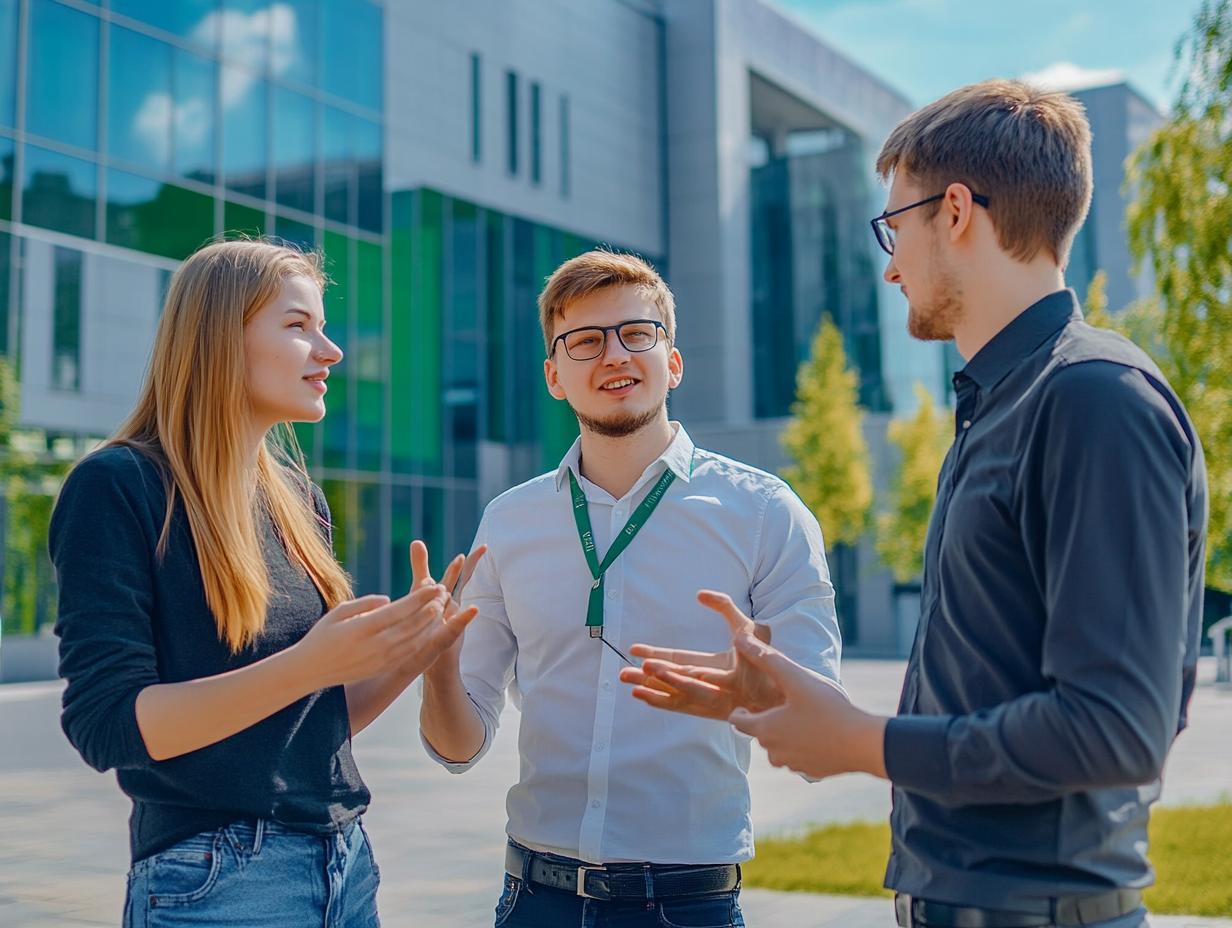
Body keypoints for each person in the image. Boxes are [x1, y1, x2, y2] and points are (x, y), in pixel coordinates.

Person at [625, 80, 1208, 928]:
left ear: (958, 211)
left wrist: (862, 741)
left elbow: (1118, 730)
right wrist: (795, 706)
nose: (891, 264)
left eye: (894, 228)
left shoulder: (1092, 401)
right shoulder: (1004, 402)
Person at [50, 238, 480, 927]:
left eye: (323, 326)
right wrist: (311, 662)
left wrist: (412, 653)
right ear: (222, 338)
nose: (331, 351)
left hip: (346, 867)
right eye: (298, 326)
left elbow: (311, 720)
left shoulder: (300, 502)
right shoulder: (118, 487)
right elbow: (107, 726)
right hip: (218, 883)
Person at [417, 249, 841, 927]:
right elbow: (458, 748)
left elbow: (826, 738)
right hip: (534, 900)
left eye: (635, 334)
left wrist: (765, 698)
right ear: (556, 377)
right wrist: (437, 675)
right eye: (585, 341)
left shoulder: (765, 513)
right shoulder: (509, 521)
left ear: (672, 360)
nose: (614, 355)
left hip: (687, 905)